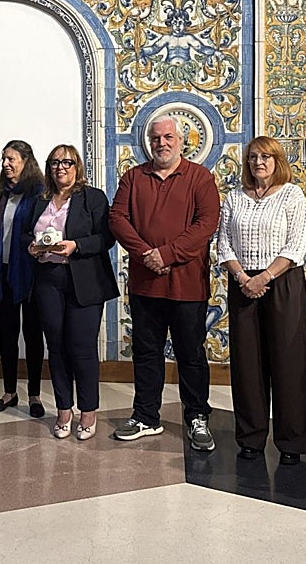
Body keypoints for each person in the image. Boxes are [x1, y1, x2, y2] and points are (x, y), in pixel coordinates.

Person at [110, 116, 221, 449]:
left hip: (188, 286)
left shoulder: (200, 177)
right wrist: (147, 253)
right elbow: (117, 218)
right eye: (156, 138)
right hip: (145, 284)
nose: (162, 143)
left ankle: (197, 417)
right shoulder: (134, 177)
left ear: (182, 141)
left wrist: (168, 254)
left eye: (168, 137)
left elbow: (207, 224)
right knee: (146, 354)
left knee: (191, 355)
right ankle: (145, 416)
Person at [215, 136, 306, 464]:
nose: (259, 162)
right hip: (243, 285)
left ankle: (292, 443)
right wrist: (243, 277)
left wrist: (265, 277)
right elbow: (223, 243)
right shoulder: (234, 197)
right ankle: (251, 438)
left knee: (288, 363)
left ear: (277, 160)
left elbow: (296, 244)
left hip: (282, 284)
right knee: (247, 365)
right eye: (254, 156)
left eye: (266, 156)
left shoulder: (292, 194)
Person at [25, 144, 117, 441]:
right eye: (54, 163)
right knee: (56, 346)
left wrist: (76, 246)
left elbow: (106, 238)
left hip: (85, 280)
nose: (60, 168)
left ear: (77, 166)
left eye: (66, 162)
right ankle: (64, 408)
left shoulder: (93, 198)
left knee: (81, 347)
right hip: (48, 279)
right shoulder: (40, 199)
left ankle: (88, 410)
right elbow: (29, 232)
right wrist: (32, 247)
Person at [0, 141, 47, 418]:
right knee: (7, 336)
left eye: (11, 159)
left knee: (33, 336)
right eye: (4, 159)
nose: (6, 164)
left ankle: (34, 395)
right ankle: (9, 392)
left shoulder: (39, 194)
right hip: (4, 273)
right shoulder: (3, 196)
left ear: (26, 161)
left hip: (31, 276)